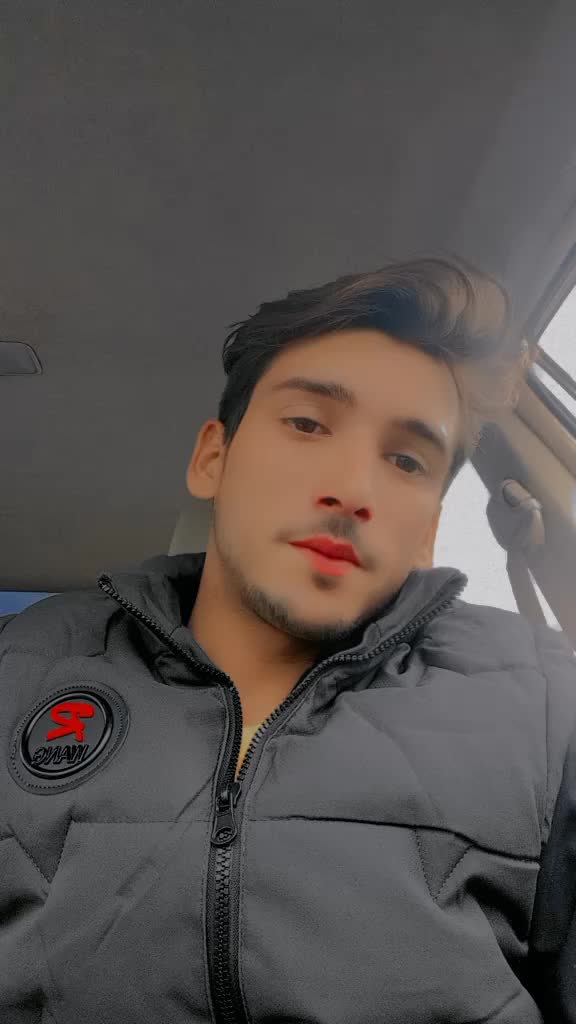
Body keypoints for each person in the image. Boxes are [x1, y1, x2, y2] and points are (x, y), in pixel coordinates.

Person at [1, 255, 575, 1024]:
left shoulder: (545, 709)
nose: (353, 490)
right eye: (307, 423)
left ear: (429, 529)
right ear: (212, 458)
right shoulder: (19, 669)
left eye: (407, 460)